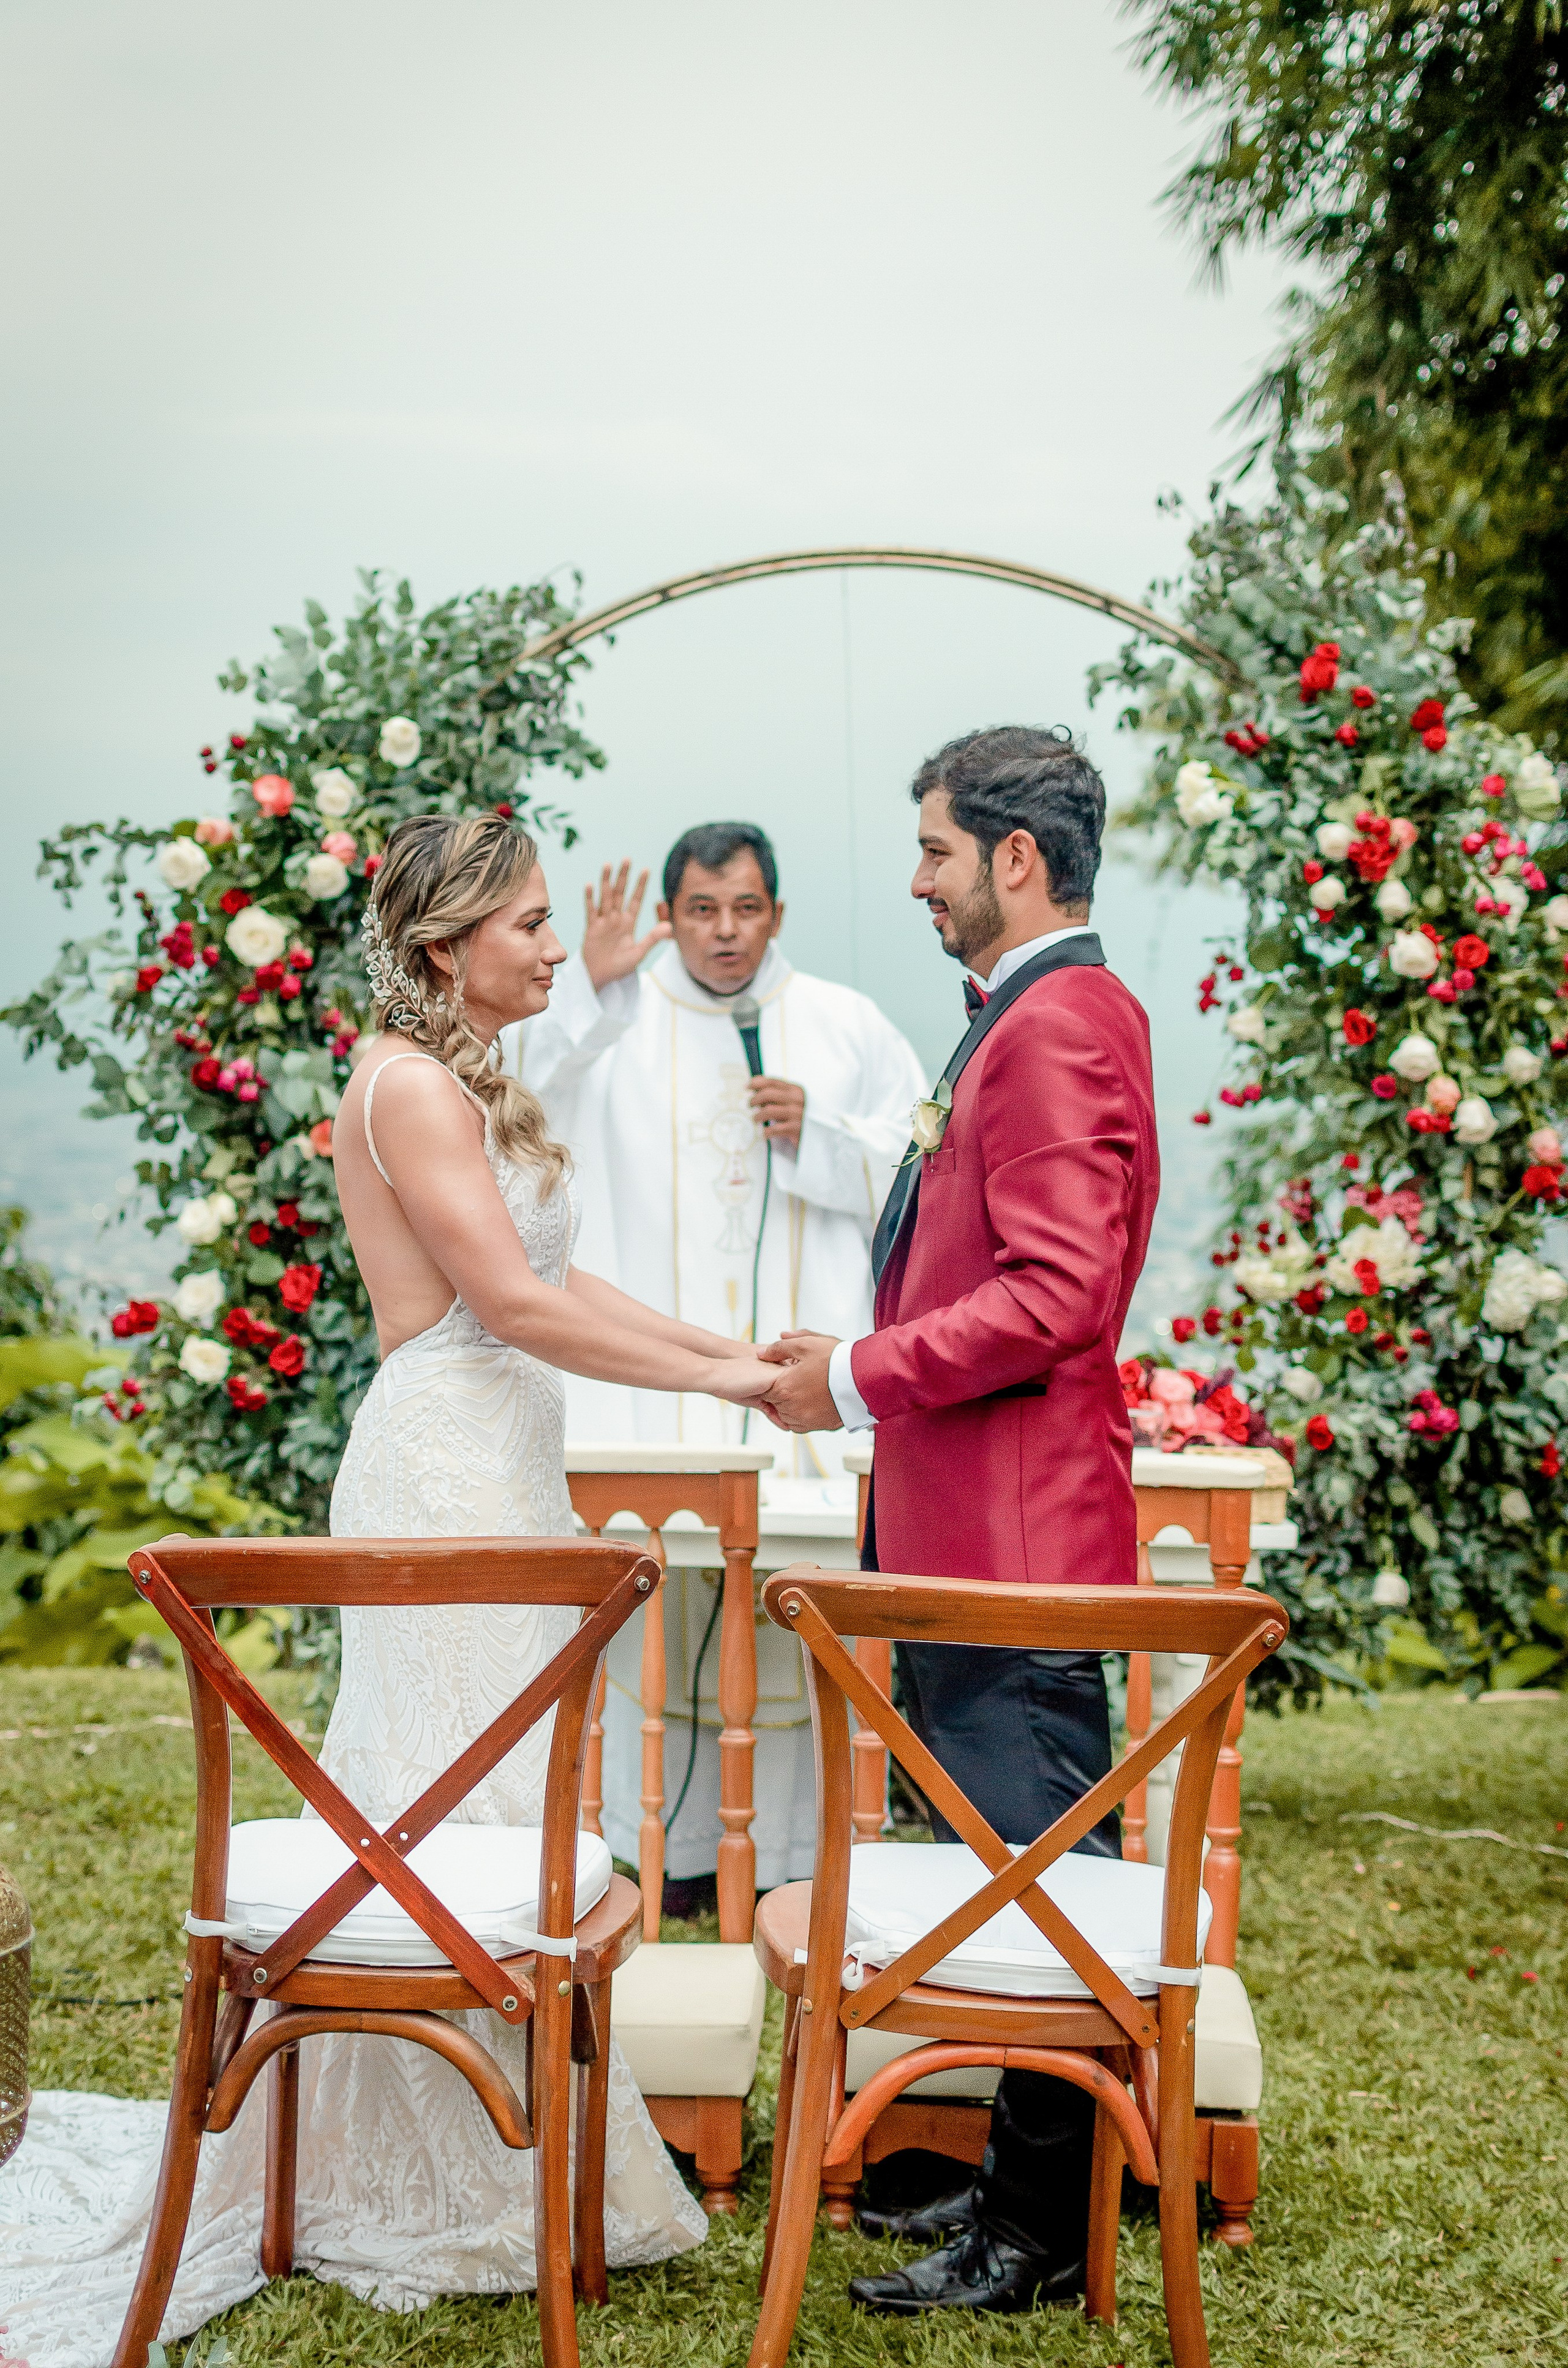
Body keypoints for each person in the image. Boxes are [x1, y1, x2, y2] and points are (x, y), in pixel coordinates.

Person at [0, 812, 778, 2362]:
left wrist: (730, 1364)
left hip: (502, 1464)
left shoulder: (473, 1074)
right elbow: (502, 1304)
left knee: (481, 1798)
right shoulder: (411, 1082)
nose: (562, 947)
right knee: (450, 1798)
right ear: (444, 948)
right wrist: (738, 1382)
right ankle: (427, 2169)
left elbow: (561, 1281)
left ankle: (495, 2153)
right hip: (442, 1466)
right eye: (531, 925)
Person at [759, 725, 1158, 2318]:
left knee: (1045, 1891)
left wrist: (854, 1376)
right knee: (1013, 1875)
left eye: (934, 849)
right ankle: (1011, 2175)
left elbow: (1059, 1296)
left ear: (1013, 855)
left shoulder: (1057, 1023)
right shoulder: (1031, 1016)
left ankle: (1047, 2232)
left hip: (1016, 1558)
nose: (916, 879)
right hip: (964, 1541)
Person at [503, 822, 926, 1896]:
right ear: (670, 911)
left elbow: (927, 1177)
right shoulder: (614, 1018)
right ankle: (659, 1853)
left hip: (801, 1398)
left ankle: (795, 1858)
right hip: (651, 1404)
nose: (725, 932)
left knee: (788, 1621)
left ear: (776, 912)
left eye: (745, 909)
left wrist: (820, 1131)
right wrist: (591, 993)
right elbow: (506, 1112)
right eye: (701, 910)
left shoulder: (846, 1024)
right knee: (654, 1618)